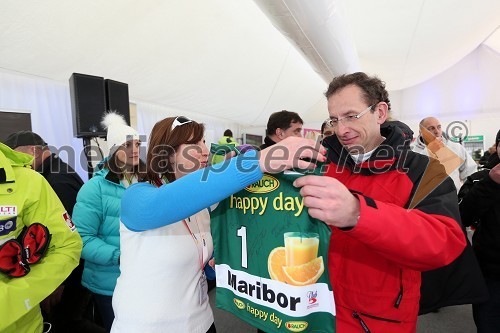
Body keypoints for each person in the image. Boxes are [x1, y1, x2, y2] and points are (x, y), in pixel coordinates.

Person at [111, 116, 324, 333]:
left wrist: (213, 266)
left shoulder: (204, 207)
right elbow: (165, 203)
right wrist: (257, 161)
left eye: (204, 142)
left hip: (201, 322)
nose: (205, 150)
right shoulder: (136, 197)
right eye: (194, 144)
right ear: (168, 154)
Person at [292, 72, 466, 331]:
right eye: (334, 119)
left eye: (351, 116)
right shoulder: (319, 164)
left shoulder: (422, 168)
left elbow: (445, 241)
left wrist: (358, 214)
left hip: (378, 319)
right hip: (316, 310)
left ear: (380, 112)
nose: (341, 129)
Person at [4, 131, 103, 332]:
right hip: (70, 273)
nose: (17, 164)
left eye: (17, 156)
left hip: (69, 276)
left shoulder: (55, 180)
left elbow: (63, 237)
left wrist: (58, 284)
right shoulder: (57, 171)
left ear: (33, 151)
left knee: (69, 321)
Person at [72, 112, 146, 332]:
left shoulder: (147, 179)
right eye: (128, 145)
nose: (135, 149)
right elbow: (82, 239)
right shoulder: (94, 189)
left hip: (145, 278)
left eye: (137, 144)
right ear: (114, 149)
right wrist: (120, 257)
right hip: (110, 284)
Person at [459, 129, 500, 333]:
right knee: (488, 325)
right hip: (490, 272)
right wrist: (490, 184)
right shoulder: (480, 179)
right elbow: (462, 216)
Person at [412, 116, 477, 191]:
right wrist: (428, 151)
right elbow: (413, 175)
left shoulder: (455, 148)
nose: (437, 131)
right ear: (421, 132)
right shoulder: (413, 151)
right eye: (431, 128)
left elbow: (470, 173)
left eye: (439, 127)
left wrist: (466, 194)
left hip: (453, 199)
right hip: (425, 200)